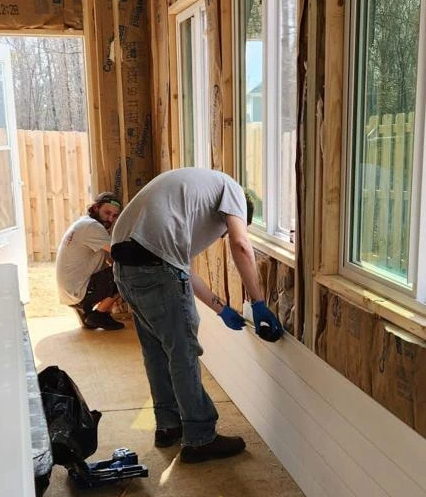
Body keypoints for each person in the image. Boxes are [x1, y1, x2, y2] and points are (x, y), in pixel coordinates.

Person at [111, 166, 283, 464]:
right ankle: (200, 437)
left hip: (125, 269)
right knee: (183, 353)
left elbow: (183, 272)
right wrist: (258, 302)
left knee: (157, 350)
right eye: (227, 229)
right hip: (156, 268)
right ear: (240, 213)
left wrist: (221, 309)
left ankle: (169, 425)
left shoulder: (188, 200)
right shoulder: (235, 193)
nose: (222, 236)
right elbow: (241, 245)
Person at [55, 192, 123, 331]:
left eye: (114, 216)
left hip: (70, 292)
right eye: (107, 212)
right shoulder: (92, 227)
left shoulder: (84, 222)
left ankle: (87, 312)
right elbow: (118, 252)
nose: (110, 218)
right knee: (126, 271)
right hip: (78, 291)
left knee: (117, 268)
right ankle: (100, 314)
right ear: (96, 208)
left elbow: (109, 258)